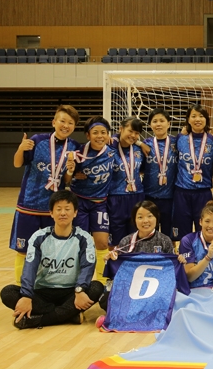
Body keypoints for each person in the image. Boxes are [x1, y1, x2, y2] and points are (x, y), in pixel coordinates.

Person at [0, 190, 104, 329]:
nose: (63, 213)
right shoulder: (38, 237)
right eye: (58, 209)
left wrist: (79, 290)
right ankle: (69, 314)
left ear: (75, 213)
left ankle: (39, 320)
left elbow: (87, 267)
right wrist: (26, 295)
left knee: (97, 287)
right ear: (51, 213)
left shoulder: (84, 238)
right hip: (42, 292)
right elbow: (29, 267)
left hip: (71, 292)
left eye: (67, 209)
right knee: (7, 292)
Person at [9, 105, 80, 284]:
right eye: (62, 121)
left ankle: (47, 287)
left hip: (55, 209)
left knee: (51, 250)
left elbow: (67, 180)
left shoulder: (74, 147)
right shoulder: (38, 140)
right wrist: (20, 148)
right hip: (29, 205)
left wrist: (70, 171)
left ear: (74, 126)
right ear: (54, 122)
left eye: (70, 123)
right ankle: (20, 289)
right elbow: (18, 164)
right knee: (24, 250)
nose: (66, 125)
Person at [99, 200, 177, 311]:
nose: (145, 221)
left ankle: (134, 312)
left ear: (156, 218)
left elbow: (171, 270)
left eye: (150, 216)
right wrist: (111, 260)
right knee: (105, 300)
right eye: (140, 217)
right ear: (134, 220)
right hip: (132, 289)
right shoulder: (126, 241)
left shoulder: (165, 240)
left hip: (156, 289)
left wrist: (179, 259)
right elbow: (119, 273)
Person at [68, 116, 115, 282]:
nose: (100, 136)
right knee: (80, 244)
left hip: (100, 204)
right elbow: (67, 179)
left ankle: (103, 285)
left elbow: (128, 135)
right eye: (95, 132)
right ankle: (80, 282)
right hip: (80, 202)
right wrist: (72, 173)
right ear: (88, 135)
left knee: (102, 243)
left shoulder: (112, 149)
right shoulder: (79, 154)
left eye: (103, 132)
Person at [172, 105, 213, 241]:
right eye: (193, 116)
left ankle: (203, 260)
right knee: (181, 234)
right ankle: (183, 260)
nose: (197, 119)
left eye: (201, 116)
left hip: (203, 193)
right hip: (182, 192)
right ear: (188, 119)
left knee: (205, 233)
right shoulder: (180, 139)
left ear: (206, 119)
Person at [107, 117, 145, 247]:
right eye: (131, 131)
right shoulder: (109, 147)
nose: (133, 135)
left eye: (137, 133)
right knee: (116, 239)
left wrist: (140, 143)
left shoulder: (139, 150)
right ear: (121, 129)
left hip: (137, 196)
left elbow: (143, 170)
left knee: (136, 238)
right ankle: (115, 266)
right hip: (116, 198)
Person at [179, 201, 213, 289]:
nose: (211, 226)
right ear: (200, 222)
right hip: (193, 291)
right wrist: (208, 257)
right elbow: (189, 277)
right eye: (207, 221)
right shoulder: (188, 240)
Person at [142, 108, 178, 239]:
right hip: (149, 196)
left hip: (170, 197)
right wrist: (138, 142)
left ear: (168, 123)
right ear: (150, 125)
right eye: (155, 121)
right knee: (149, 233)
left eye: (162, 121)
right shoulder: (145, 144)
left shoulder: (176, 142)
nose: (158, 124)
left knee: (170, 235)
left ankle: (169, 258)